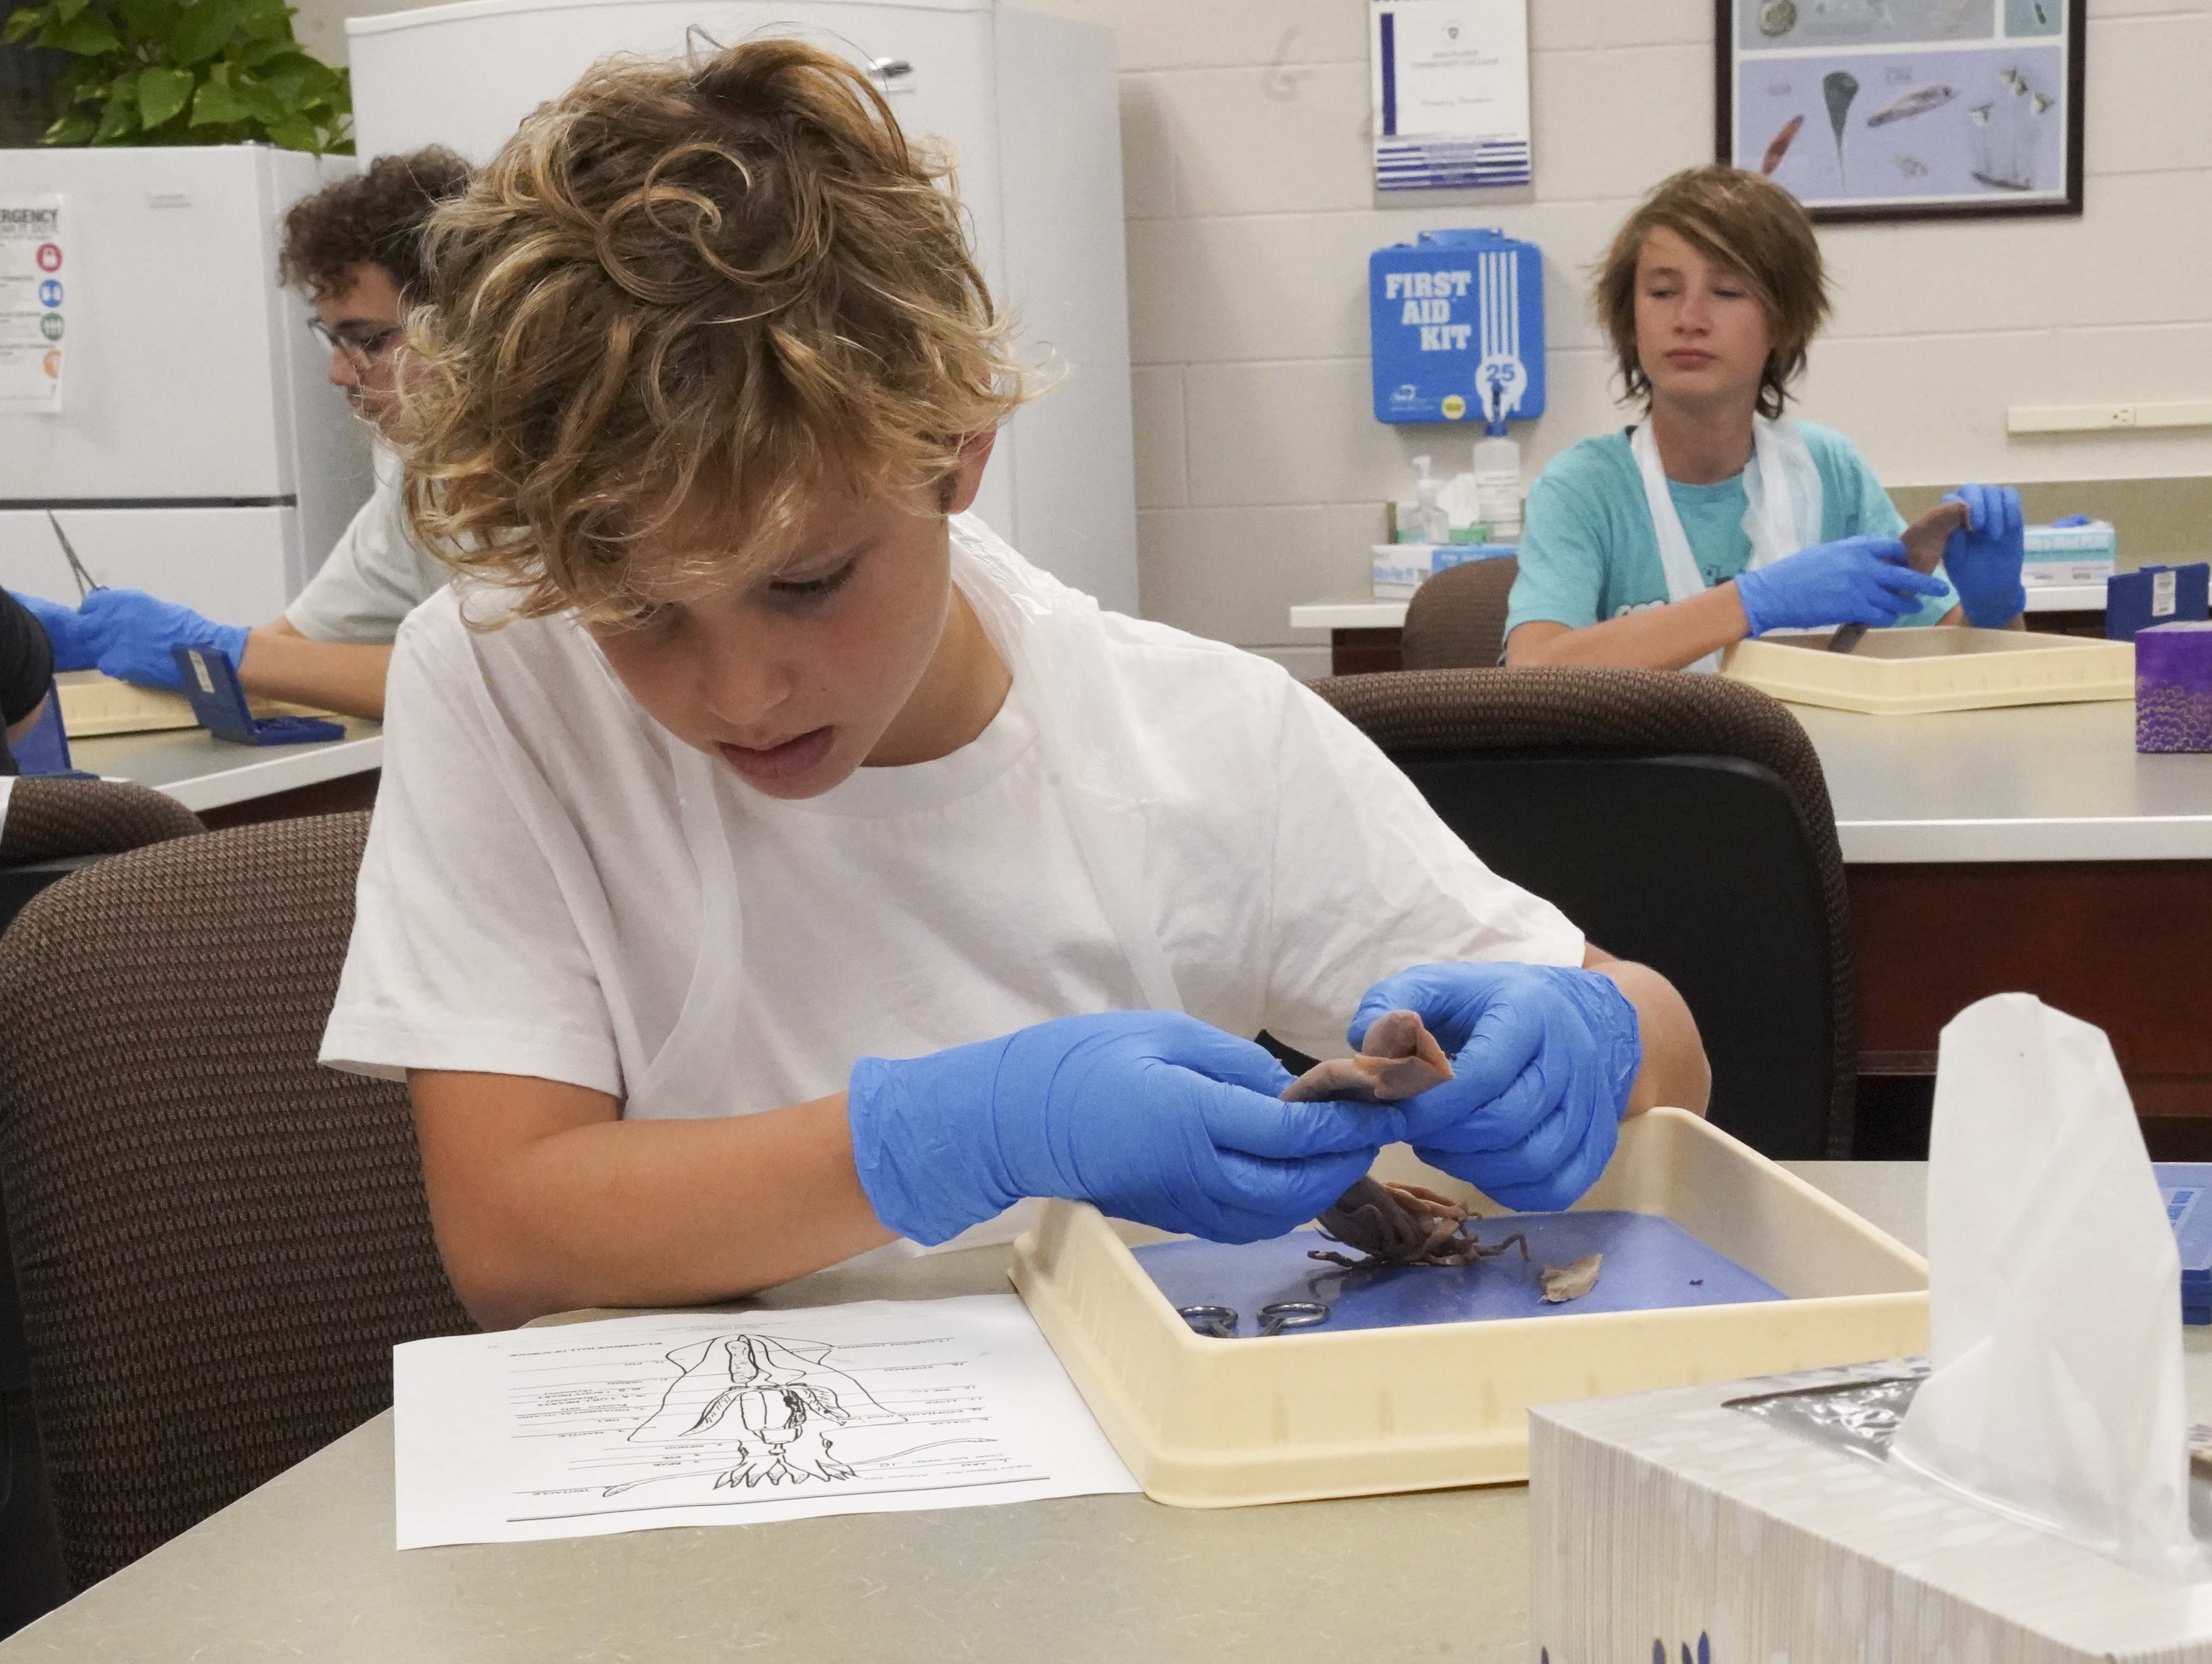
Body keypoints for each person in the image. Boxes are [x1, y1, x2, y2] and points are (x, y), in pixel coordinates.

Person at [319, 41, 1710, 1331]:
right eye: (635, 608)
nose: (739, 690)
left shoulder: (1190, 737)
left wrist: (1591, 1041)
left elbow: (1664, 1050)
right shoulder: (503, 668)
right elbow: (509, 1234)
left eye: (808, 583)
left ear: (958, 445)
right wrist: (961, 1133)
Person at [1503, 166, 2027, 672]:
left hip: (1817, 763)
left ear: (1783, 321)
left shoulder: (1828, 471)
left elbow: (1966, 679)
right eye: (1662, 293)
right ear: (1630, 319)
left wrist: (1996, 611)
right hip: (1638, 767)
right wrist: (1753, 602)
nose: (1689, 320)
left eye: (1727, 292)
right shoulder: (1584, 488)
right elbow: (1532, 672)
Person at [20, 149, 472, 721]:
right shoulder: (421, 481)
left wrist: (224, 654)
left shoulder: (559, 475)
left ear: (467, 320)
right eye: (332, 339)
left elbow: (495, 685)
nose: (338, 373)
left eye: (368, 340)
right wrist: (56, 650)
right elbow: (293, 652)